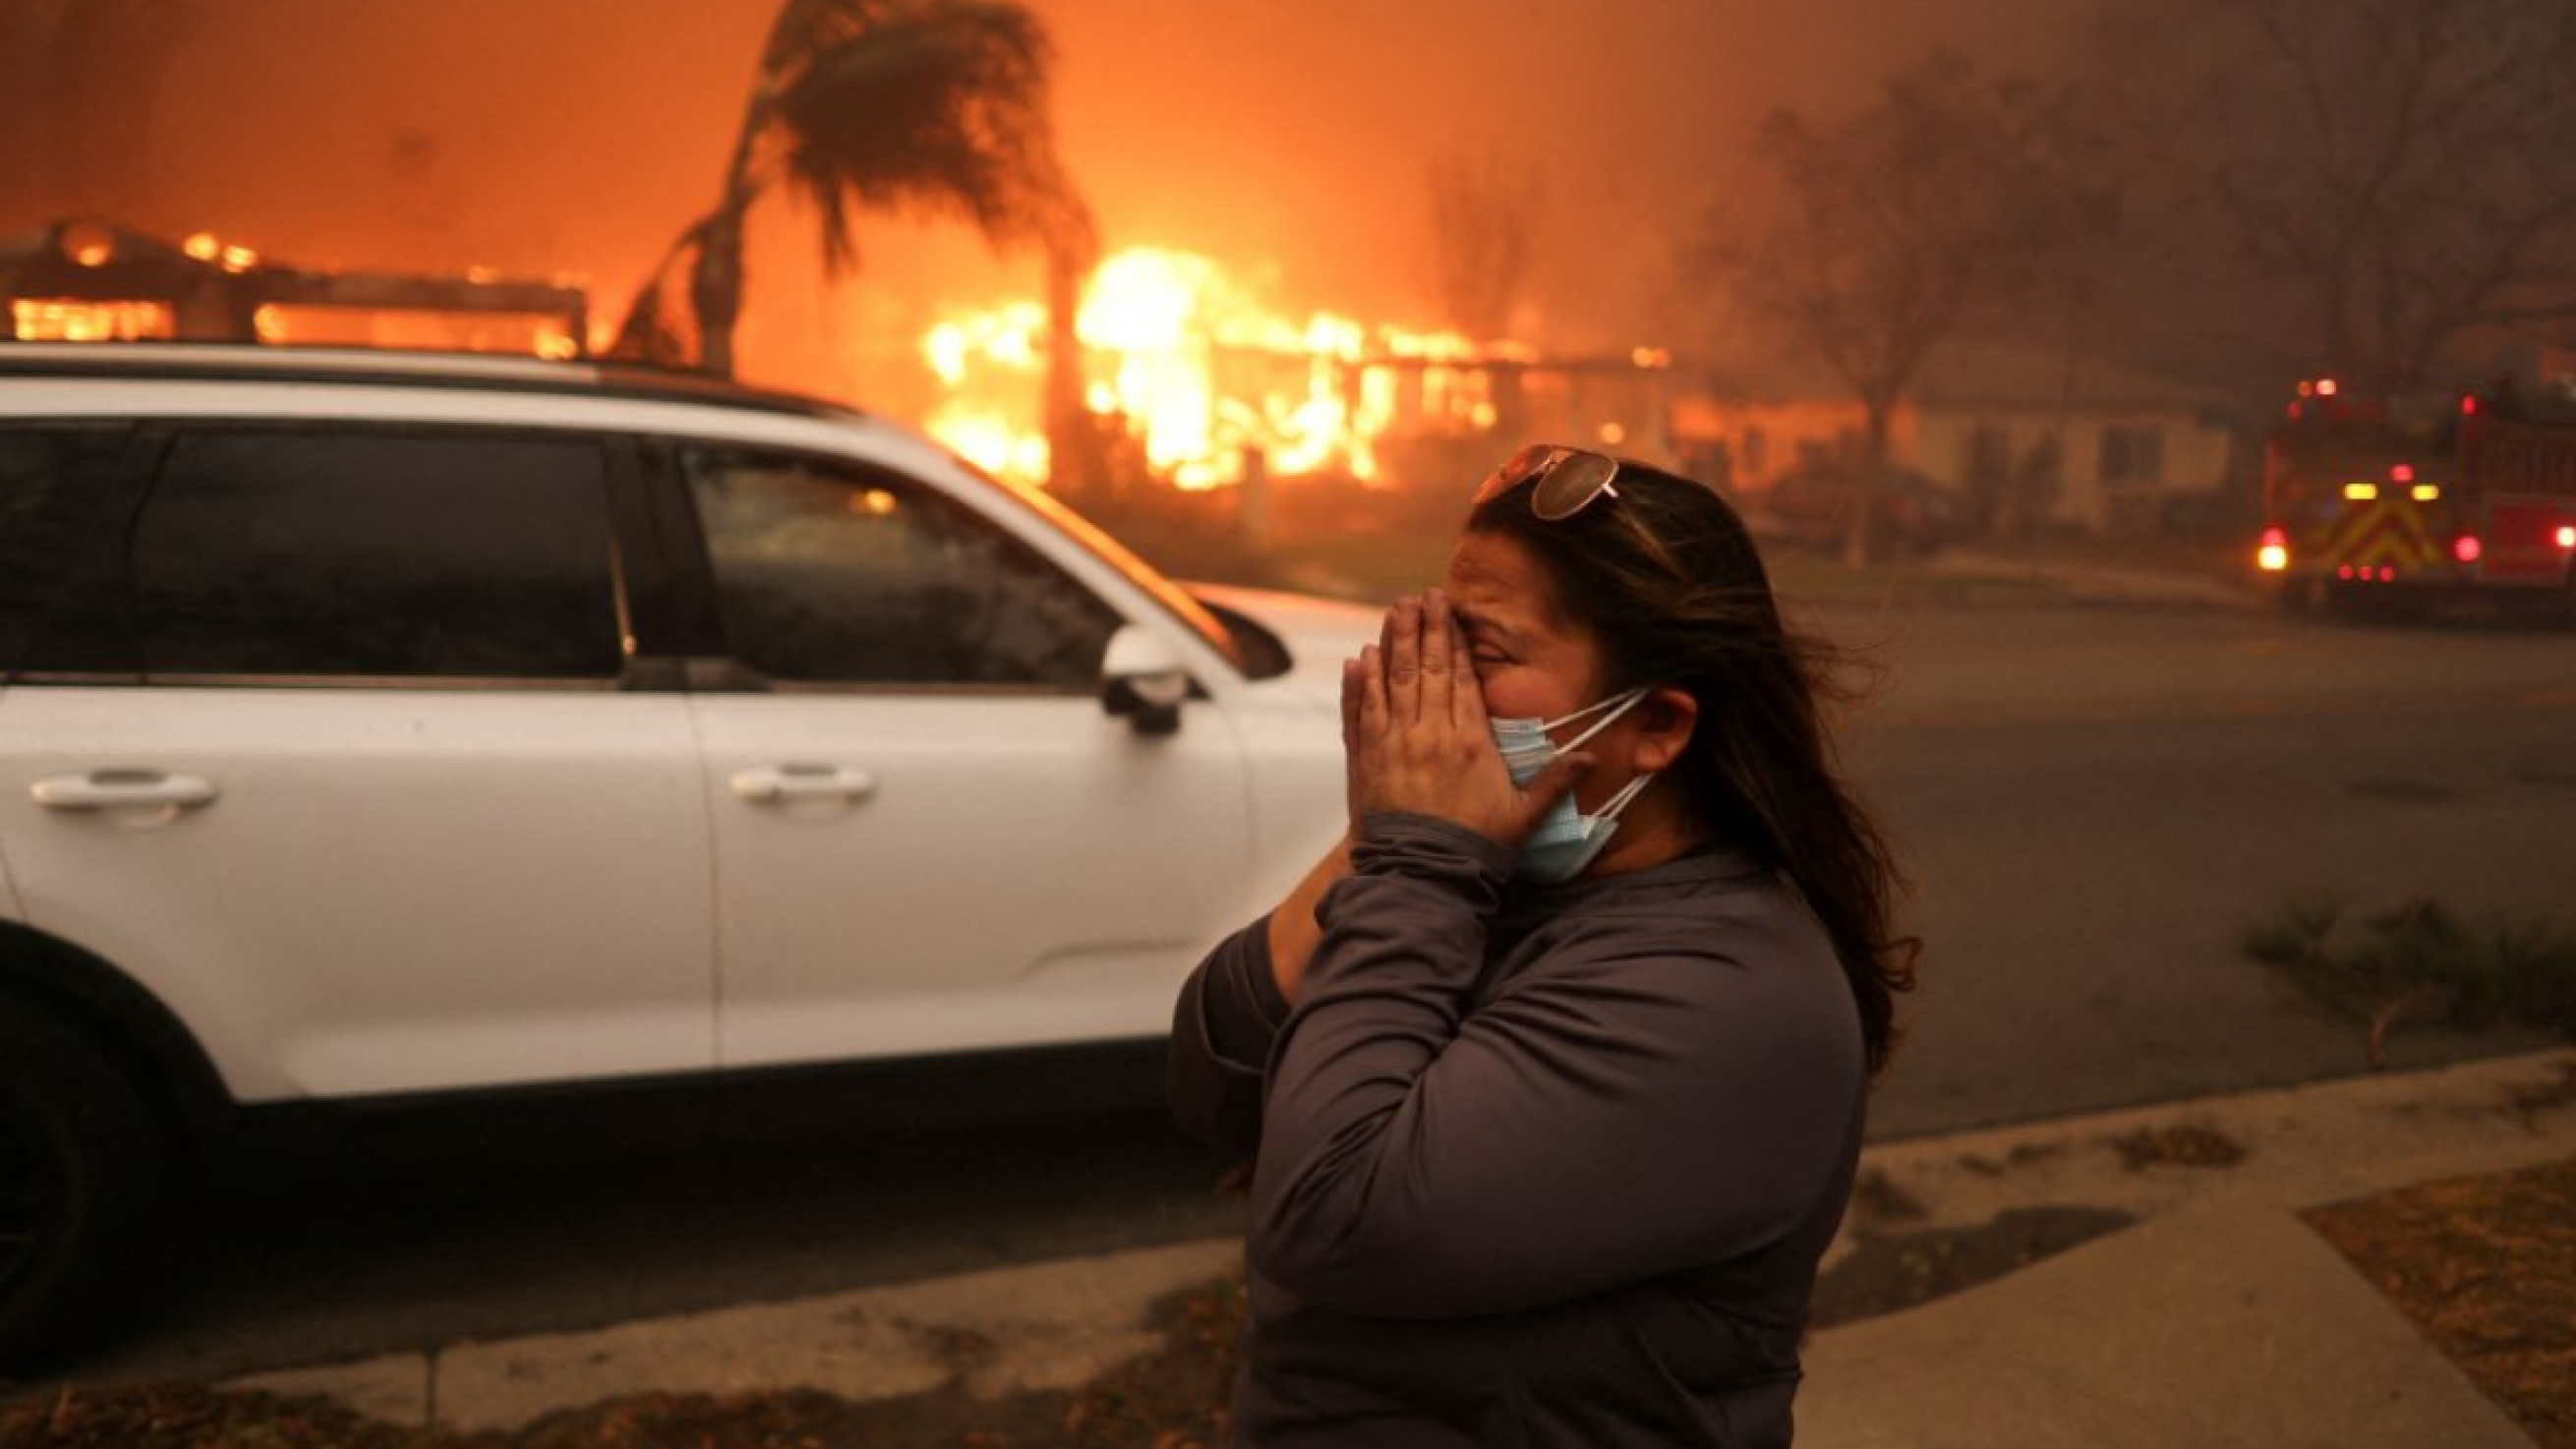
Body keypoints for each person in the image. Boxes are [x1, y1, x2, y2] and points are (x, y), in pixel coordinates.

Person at [1166, 443, 1917, 1447]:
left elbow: (1331, 1216)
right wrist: (1386, 833)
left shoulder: (1729, 992)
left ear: (1654, 723)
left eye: (1480, 655)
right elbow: (1215, 1068)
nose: (1429, 693)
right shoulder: (1479, 875)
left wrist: (1416, 857)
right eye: (1428, 639)